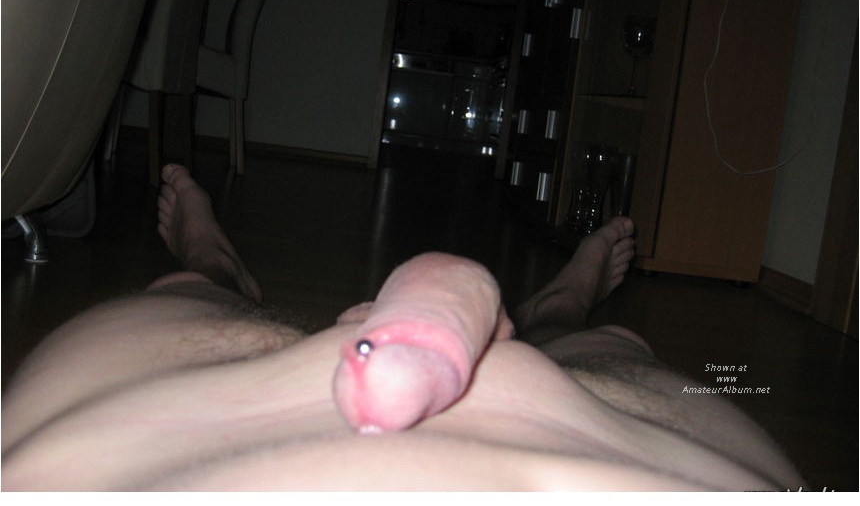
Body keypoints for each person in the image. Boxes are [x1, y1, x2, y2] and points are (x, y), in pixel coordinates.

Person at [1, 164, 805, 491]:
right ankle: (562, 310)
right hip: (636, 444)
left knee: (185, 304)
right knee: (609, 355)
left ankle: (213, 267)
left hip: (145, 428)